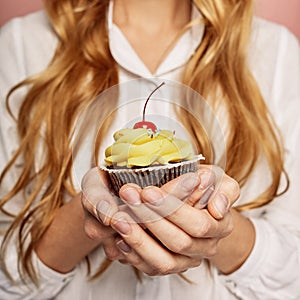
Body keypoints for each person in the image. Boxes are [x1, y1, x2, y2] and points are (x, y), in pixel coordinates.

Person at [0, 0, 299, 299]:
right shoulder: (22, 44)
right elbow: (7, 279)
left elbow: (293, 275)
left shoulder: (276, 52)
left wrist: (218, 229)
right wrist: (87, 216)